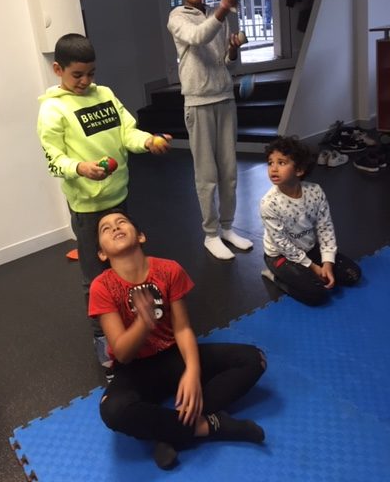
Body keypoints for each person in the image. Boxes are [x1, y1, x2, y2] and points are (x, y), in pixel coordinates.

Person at [89, 210, 266, 470]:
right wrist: (143, 322)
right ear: (102, 253)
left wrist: (192, 371)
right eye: (106, 229)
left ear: (141, 236)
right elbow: (122, 353)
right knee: (112, 410)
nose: (115, 227)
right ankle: (210, 425)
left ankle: (168, 432)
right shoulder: (101, 286)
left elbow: (182, 329)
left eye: (122, 222)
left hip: (174, 357)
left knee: (254, 359)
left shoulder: (168, 269)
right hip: (136, 370)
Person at [37, 33, 171, 376]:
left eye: (91, 73)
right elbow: (53, 158)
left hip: (118, 198)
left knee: (129, 266)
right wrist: (79, 168)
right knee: (95, 277)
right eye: (77, 75)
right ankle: (103, 339)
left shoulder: (106, 95)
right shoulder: (52, 110)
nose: (85, 81)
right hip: (87, 208)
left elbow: (128, 133)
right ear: (58, 69)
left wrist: (149, 141)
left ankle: (137, 326)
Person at [167, 0, 253, 260]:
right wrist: (225, 7)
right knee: (207, 175)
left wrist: (232, 50)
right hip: (199, 102)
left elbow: (224, 62)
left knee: (229, 171)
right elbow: (198, 36)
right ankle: (211, 234)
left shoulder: (217, 13)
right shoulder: (177, 16)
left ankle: (227, 227)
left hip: (224, 98)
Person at [260, 136, 361, 306]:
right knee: (317, 294)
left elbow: (325, 227)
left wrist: (327, 263)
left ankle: (308, 273)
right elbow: (282, 243)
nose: (273, 169)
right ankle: (275, 276)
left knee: (353, 275)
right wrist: (313, 267)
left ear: (299, 170)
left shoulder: (315, 191)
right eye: (271, 163)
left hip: (309, 248)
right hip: (281, 255)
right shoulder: (269, 203)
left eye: (281, 163)